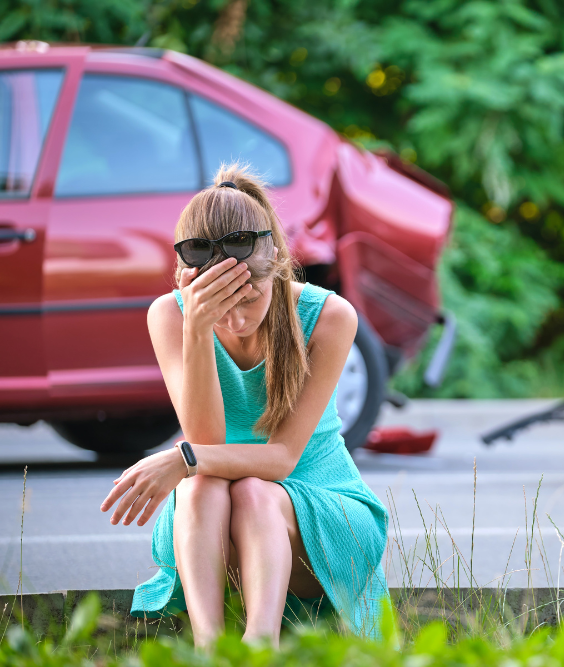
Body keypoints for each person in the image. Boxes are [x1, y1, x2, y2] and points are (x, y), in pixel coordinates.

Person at [100, 164, 388, 647]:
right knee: (199, 490)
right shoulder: (169, 316)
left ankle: (260, 648)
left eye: (247, 300)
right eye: (218, 305)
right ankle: (211, 650)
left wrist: (181, 457)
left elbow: (280, 460)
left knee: (253, 491)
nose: (233, 319)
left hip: (321, 520)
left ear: (274, 263)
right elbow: (209, 441)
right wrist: (196, 326)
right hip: (216, 521)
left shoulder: (329, 317)